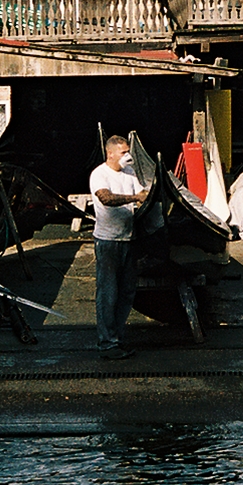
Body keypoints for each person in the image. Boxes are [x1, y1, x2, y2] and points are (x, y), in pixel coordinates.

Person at [90, 133, 149, 359]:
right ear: (111, 153)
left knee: (126, 291)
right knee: (108, 292)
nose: (128, 156)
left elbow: (142, 193)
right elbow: (106, 198)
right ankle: (107, 342)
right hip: (108, 241)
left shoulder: (130, 173)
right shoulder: (99, 175)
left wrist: (144, 195)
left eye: (128, 151)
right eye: (123, 152)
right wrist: (134, 198)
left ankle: (117, 336)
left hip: (128, 239)